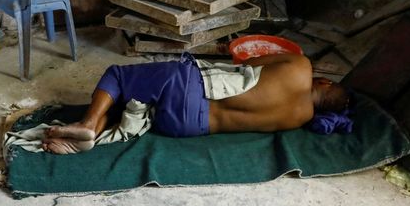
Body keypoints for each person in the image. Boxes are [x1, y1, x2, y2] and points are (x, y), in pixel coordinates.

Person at [41, 52, 349, 153]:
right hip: (188, 126)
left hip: (192, 87)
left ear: (325, 83)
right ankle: (92, 132)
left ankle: (87, 124)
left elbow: (250, 62)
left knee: (118, 76)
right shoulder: (297, 119)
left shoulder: (301, 66)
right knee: (125, 105)